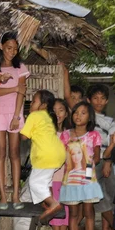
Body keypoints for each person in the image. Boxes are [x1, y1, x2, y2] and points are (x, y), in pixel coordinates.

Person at [59, 102, 104, 230]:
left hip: (88, 179)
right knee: (73, 214)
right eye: (76, 112)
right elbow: (60, 156)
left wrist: (89, 163)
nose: (78, 115)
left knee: (89, 214)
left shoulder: (94, 135)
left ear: (90, 116)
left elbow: (97, 157)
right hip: (70, 180)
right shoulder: (65, 135)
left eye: (83, 113)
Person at [0, 32, 29, 210]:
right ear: (1, 46)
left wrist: (16, 117)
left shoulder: (20, 67)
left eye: (15, 49)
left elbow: (22, 93)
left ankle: (15, 195)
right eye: (8, 48)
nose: (12, 52)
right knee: (1, 152)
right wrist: (13, 88)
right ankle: (3, 196)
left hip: (15, 114)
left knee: (14, 153)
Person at [20, 90, 66, 221]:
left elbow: (23, 136)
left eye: (34, 101)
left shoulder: (34, 116)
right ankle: (47, 204)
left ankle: (53, 204)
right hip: (58, 154)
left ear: (44, 105)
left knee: (35, 183)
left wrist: (21, 122)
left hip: (45, 156)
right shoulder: (49, 117)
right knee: (45, 182)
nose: (31, 104)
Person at [87, 84, 115, 230]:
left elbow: (114, 142)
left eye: (102, 98)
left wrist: (108, 162)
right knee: (100, 199)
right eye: (95, 98)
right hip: (89, 164)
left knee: (110, 197)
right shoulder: (84, 117)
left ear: (106, 101)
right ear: (88, 100)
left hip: (106, 161)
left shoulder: (109, 121)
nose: (99, 101)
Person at [49, 98, 72, 230]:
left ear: (66, 113)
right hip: (52, 178)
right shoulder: (47, 133)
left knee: (67, 210)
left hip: (67, 177)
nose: (57, 113)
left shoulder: (69, 134)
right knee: (56, 208)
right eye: (54, 110)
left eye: (61, 110)